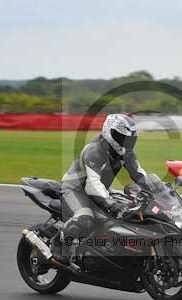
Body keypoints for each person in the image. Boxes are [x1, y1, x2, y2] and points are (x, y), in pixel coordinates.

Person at [55, 114, 147, 266]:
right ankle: (59, 244)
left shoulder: (126, 152)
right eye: (121, 137)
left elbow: (139, 174)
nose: (126, 143)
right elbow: (92, 184)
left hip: (100, 189)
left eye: (129, 140)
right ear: (109, 132)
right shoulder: (95, 150)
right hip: (75, 189)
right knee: (85, 218)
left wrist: (158, 188)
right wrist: (111, 203)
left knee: (130, 210)